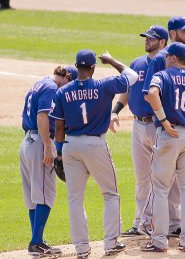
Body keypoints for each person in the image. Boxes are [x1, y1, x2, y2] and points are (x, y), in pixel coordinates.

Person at [48, 49, 139, 257]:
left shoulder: (63, 92)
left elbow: (59, 126)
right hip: (95, 145)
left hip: (70, 146)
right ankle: (110, 243)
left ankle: (81, 248)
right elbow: (132, 76)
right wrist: (111, 60)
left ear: (76, 67)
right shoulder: (103, 85)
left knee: (75, 199)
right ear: (93, 67)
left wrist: (60, 153)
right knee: (110, 194)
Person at [138, 16, 185, 238]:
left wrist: (163, 120)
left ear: (172, 58)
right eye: (184, 30)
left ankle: (160, 237)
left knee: (161, 186)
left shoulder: (166, 70)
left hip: (168, 131)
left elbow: (151, 93)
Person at [109, 25, 169, 237]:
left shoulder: (165, 65)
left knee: (157, 177)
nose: (147, 40)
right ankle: (138, 222)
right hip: (138, 125)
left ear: (162, 42)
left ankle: (153, 222)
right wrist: (115, 111)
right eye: (146, 37)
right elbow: (127, 91)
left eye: (152, 38)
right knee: (142, 177)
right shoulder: (137, 62)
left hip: (156, 125)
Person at [19, 65, 77, 257]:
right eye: (70, 84)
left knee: (34, 196)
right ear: (66, 77)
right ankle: (36, 243)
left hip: (27, 141)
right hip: (39, 142)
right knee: (45, 194)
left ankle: (38, 240)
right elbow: (42, 116)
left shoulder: (39, 83)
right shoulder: (52, 88)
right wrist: (47, 146)